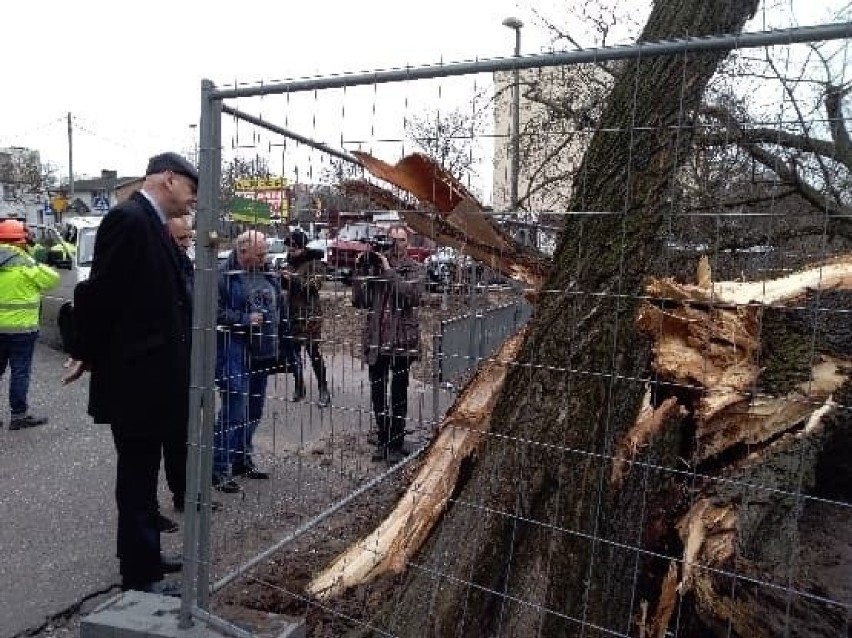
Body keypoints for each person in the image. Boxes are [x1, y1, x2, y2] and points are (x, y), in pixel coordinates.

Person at [63, 152, 196, 595]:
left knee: (146, 473)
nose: (191, 203)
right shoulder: (129, 220)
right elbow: (100, 295)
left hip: (154, 378)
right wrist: (85, 352)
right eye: (191, 191)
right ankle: (140, 577)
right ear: (170, 179)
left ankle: (148, 558)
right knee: (137, 479)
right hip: (137, 379)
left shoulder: (151, 224)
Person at [213, 230, 281, 492]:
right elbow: (212, 311)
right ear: (243, 252)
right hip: (233, 350)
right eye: (260, 253)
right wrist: (243, 319)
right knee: (234, 410)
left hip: (262, 350)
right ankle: (218, 467)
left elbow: (278, 310)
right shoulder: (222, 275)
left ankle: (242, 458)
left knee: (254, 409)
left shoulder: (267, 273)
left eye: (265, 253)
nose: (265, 257)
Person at [352, 225, 424, 464]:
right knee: (377, 392)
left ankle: (396, 442)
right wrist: (361, 270)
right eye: (391, 239)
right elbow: (359, 302)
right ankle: (383, 439)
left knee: (399, 392)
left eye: (401, 240)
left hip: (402, 338)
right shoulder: (372, 265)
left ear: (408, 242)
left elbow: (411, 297)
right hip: (377, 338)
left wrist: (389, 271)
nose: (395, 244)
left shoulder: (414, 267)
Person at [0, 219, 60, 430]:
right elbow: (52, 279)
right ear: (21, 240)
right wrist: (33, 258)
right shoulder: (24, 262)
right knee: (20, 371)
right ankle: (18, 416)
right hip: (21, 329)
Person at [282, 229, 330, 407]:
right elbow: (285, 288)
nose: (291, 250)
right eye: (289, 247)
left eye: (295, 247)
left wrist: (293, 279)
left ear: (303, 247)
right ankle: (299, 387)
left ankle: (323, 389)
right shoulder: (289, 263)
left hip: (310, 315)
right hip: (292, 315)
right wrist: (282, 279)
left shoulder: (314, 263)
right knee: (294, 355)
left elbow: (314, 285)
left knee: (313, 353)